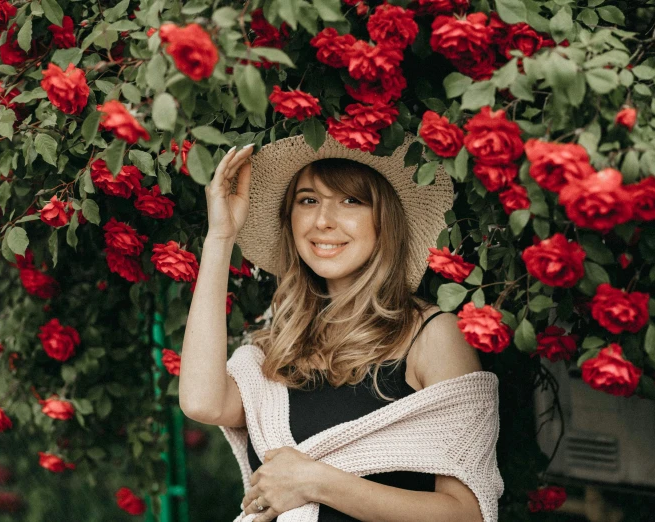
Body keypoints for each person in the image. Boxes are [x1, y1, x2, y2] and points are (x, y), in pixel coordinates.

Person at [179, 134, 502, 522]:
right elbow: (201, 402)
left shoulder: (431, 336)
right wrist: (221, 237)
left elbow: (467, 514)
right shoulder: (276, 346)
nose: (323, 221)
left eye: (351, 200)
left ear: (386, 220)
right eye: (308, 200)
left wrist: (315, 481)